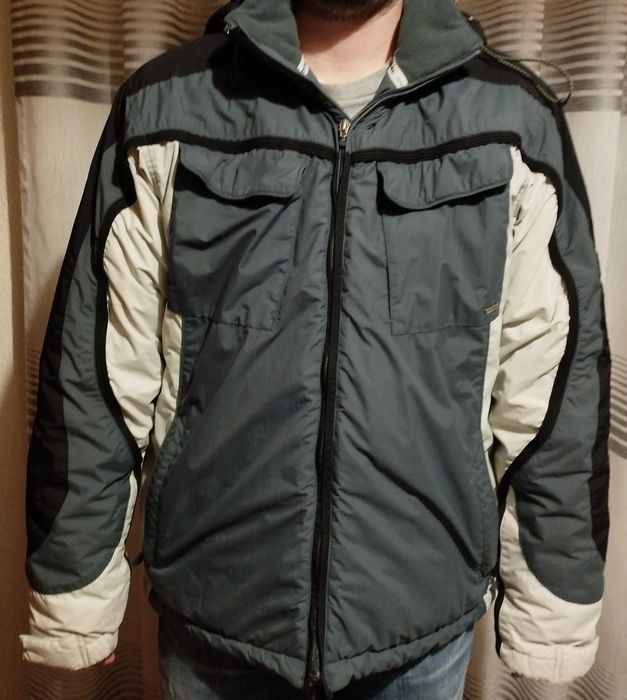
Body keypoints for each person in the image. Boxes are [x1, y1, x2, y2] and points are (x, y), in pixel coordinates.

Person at [20, 0, 611, 698]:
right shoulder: (166, 106)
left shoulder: (509, 119)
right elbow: (95, 371)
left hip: (417, 632)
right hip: (216, 620)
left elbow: (553, 388)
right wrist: (74, 594)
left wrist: (551, 609)